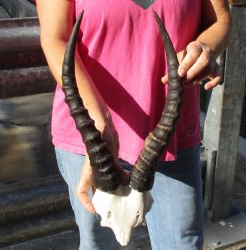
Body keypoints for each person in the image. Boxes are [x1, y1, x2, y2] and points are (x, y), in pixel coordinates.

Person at [36, 1, 231, 249]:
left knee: (183, 243)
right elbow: (55, 38)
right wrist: (99, 121)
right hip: (90, 136)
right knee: (99, 244)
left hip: (170, 136)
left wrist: (205, 48)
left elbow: (220, 20)